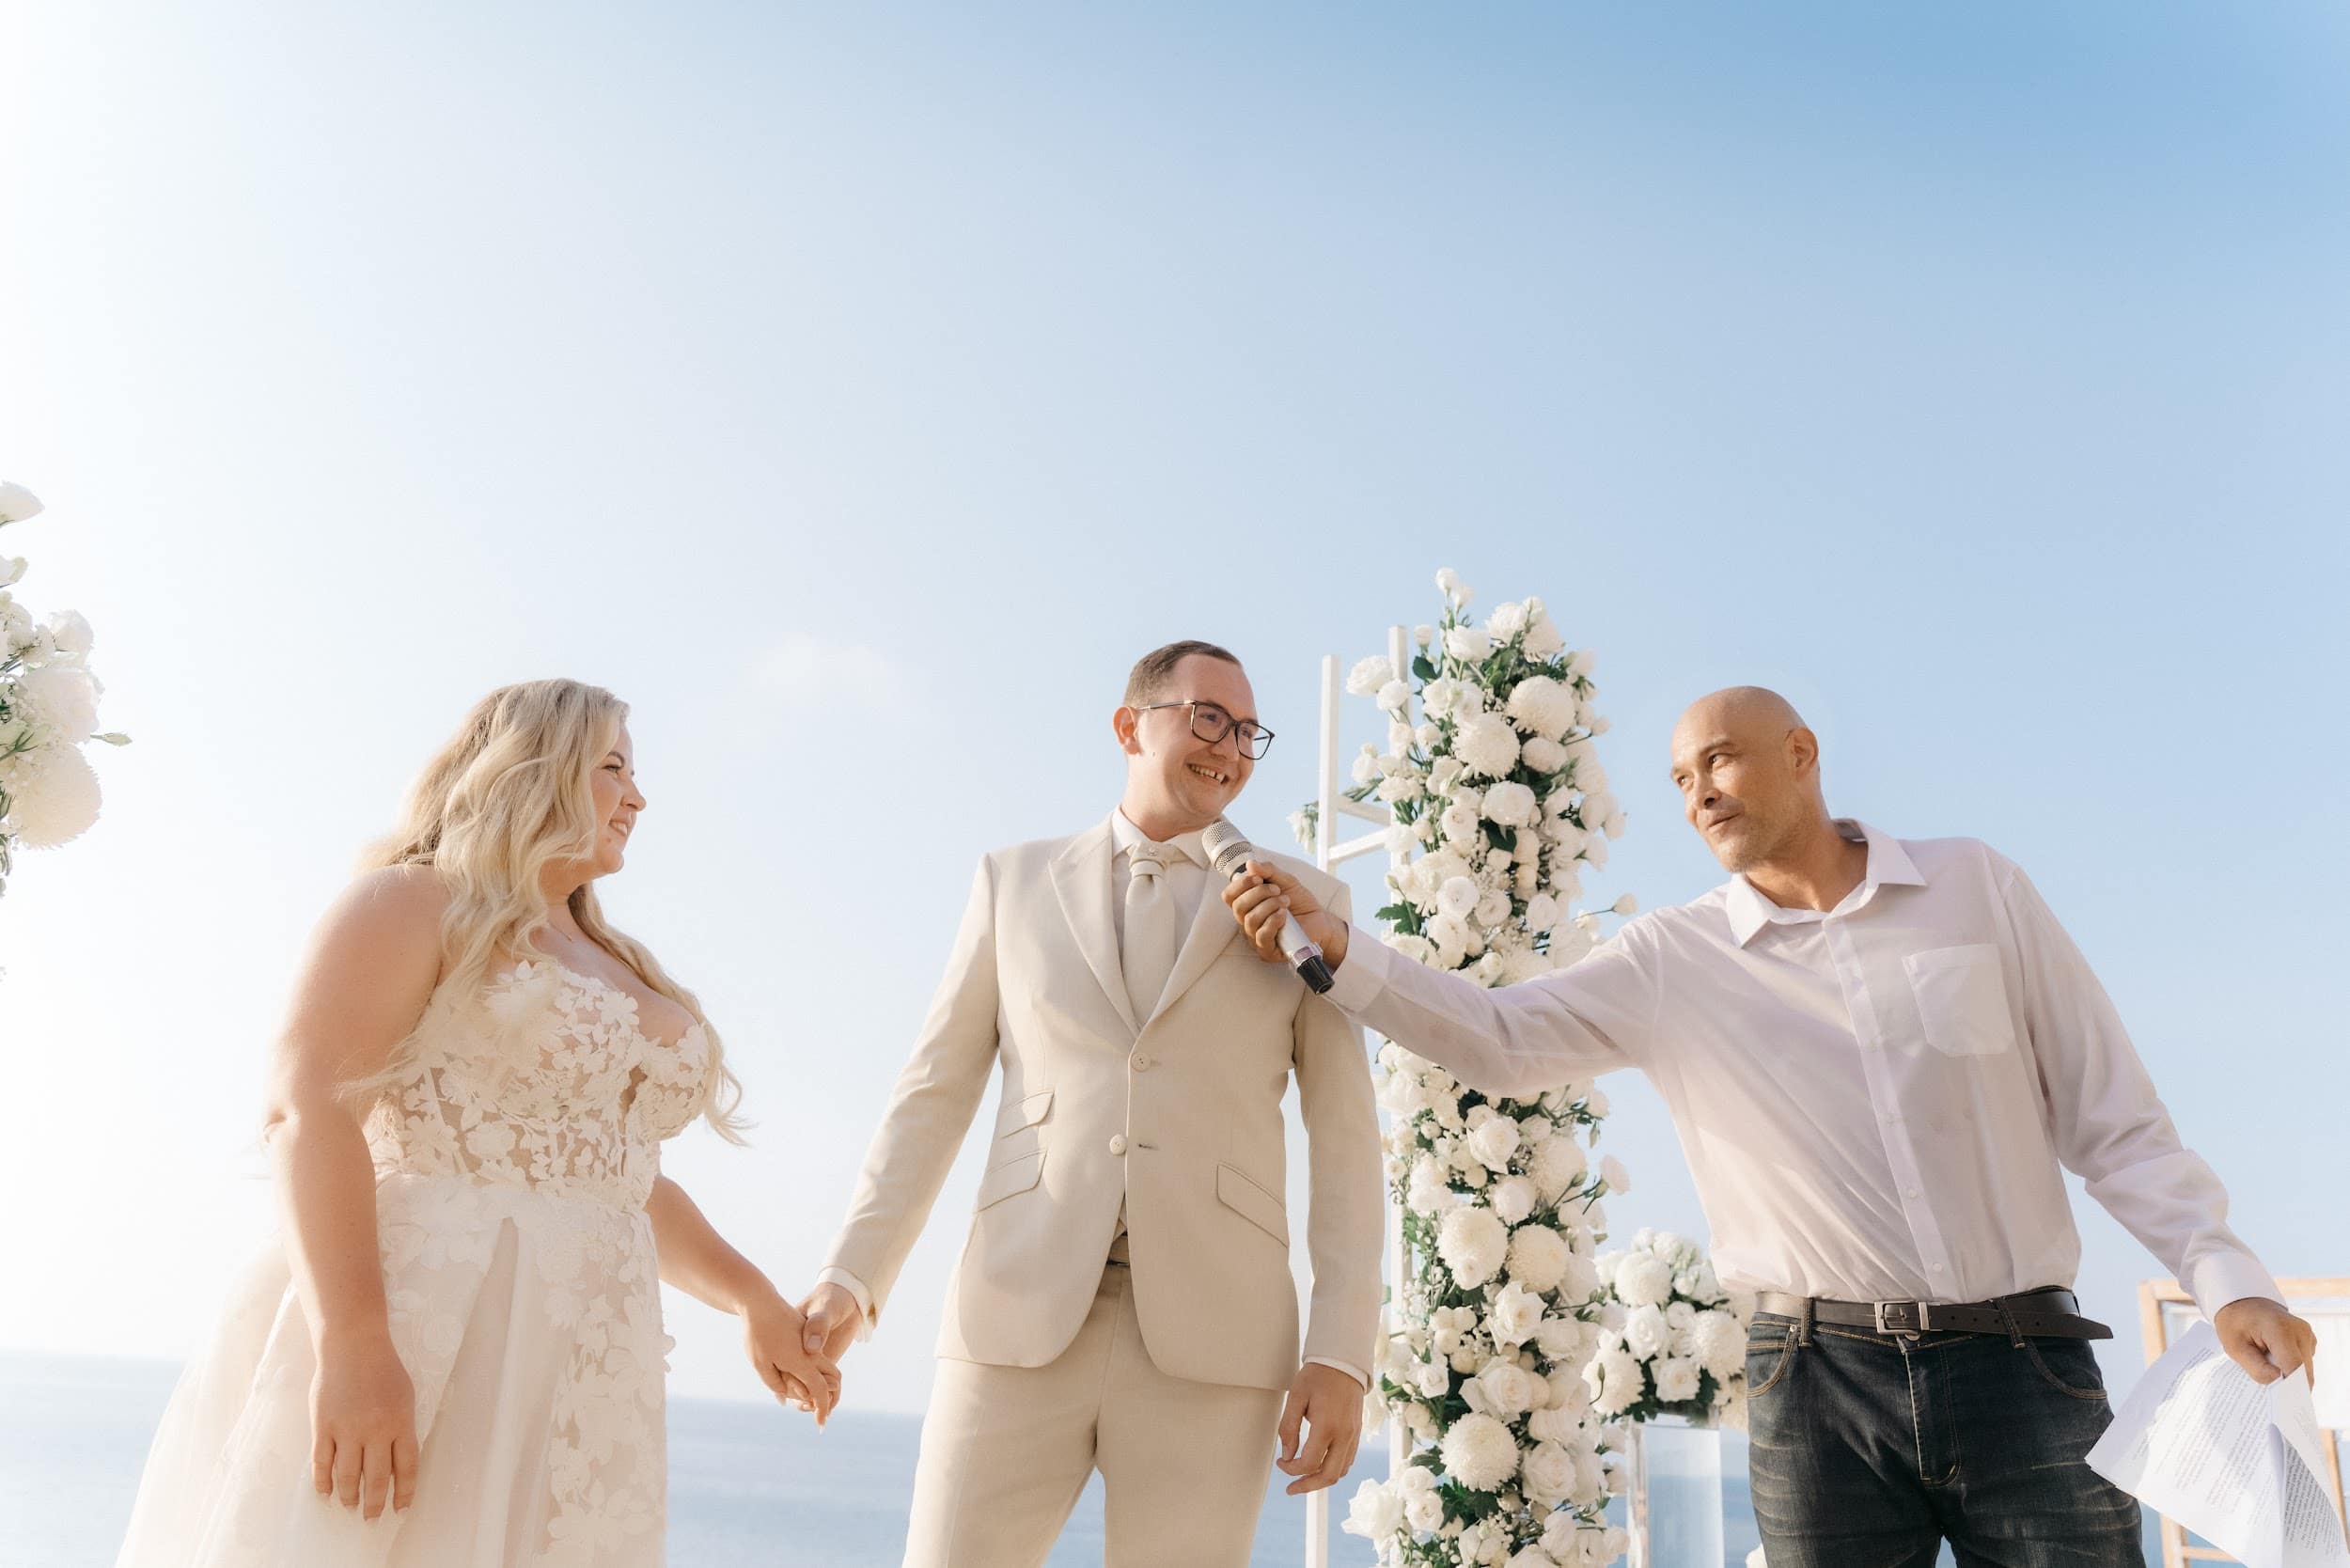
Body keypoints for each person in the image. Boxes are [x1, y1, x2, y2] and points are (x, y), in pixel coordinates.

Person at [1225, 684, 2316, 1568]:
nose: (1698, 792)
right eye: (1680, 779)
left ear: (1800, 752)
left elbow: (2112, 1115)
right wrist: (1342, 948)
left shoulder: (1975, 888)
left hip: (2023, 1367)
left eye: (1721, 760)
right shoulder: (1671, 958)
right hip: (1811, 1381)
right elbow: (1502, 1040)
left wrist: (2225, 1278)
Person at [114, 679, 838, 1568]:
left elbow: (618, 1178)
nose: (639, 798)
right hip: (424, 1328)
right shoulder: (413, 903)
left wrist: (753, 1299)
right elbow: (308, 1112)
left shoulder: (614, 962)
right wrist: (354, 1343)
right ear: (534, 768)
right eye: (613, 767)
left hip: (584, 1362)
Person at [797, 639, 1383, 1568]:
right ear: (1128, 725)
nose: (1229, 748)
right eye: (1206, 718)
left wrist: (1342, 1354)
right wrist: (853, 1275)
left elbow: (1348, 1145)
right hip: (1011, 1315)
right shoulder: (1011, 882)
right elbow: (932, 1093)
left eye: (1246, 731)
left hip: (1217, 1342)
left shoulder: (1310, 904)